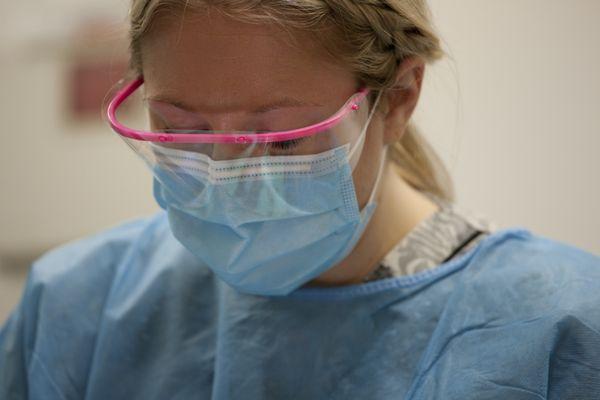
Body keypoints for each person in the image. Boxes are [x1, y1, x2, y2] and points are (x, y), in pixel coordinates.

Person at [1, 1, 599, 399]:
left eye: (282, 140)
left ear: (397, 99)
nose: (222, 180)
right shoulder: (76, 309)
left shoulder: (557, 330)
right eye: (181, 131)